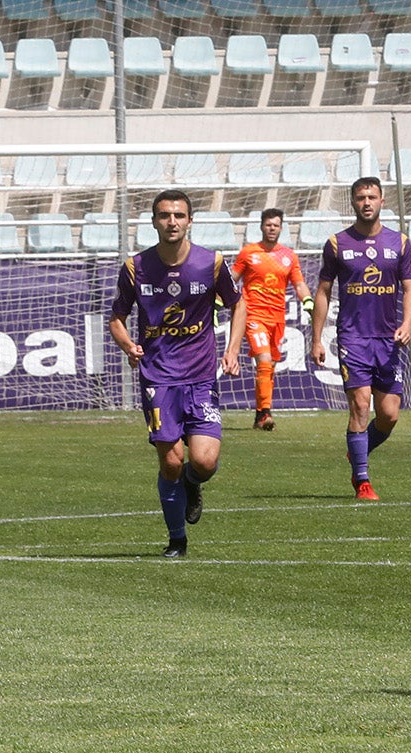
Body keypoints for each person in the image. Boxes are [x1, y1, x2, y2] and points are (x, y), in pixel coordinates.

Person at [109, 189, 245, 559]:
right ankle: (177, 540)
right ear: (154, 221)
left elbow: (238, 303)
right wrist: (128, 346)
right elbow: (116, 319)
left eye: (179, 215)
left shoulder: (211, 263)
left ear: (190, 220)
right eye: (165, 215)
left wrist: (232, 350)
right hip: (158, 378)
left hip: (201, 378)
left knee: (203, 461)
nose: (172, 222)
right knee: (170, 460)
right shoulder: (136, 267)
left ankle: (192, 483)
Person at [310, 176, 411, 500]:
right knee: (359, 405)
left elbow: (410, 287)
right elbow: (323, 291)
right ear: (353, 203)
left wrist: (408, 323)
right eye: (360, 198)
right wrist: (316, 339)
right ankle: (362, 481)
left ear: (382, 201)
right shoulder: (336, 244)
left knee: (389, 415)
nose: (366, 202)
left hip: (387, 339)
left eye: (372, 196)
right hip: (353, 338)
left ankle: (358, 449)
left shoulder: (398, 242)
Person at [231, 208, 312, 431]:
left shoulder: (288, 256)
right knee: (264, 360)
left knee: (269, 367)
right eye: (268, 224)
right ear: (261, 226)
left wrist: (308, 302)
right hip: (253, 314)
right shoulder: (249, 252)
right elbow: (231, 280)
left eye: (276, 225)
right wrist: (218, 301)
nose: (272, 228)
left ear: (281, 227)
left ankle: (260, 414)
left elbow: (298, 283)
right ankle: (266, 412)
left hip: (277, 317)